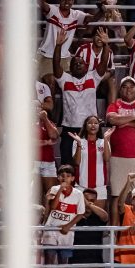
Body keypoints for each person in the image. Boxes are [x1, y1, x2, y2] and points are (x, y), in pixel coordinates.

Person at [54, 27, 111, 167]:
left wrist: (105, 44)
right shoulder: (64, 79)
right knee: (67, 165)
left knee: (90, 164)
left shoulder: (93, 77)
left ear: (86, 67)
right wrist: (58, 46)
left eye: (81, 63)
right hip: (69, 128)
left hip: (90, 128)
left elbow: (104, 63)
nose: (78, 65)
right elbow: (55, 65)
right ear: (70, 67)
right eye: (75, 64)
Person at [105, 76, 135, 221]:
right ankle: (114, 229)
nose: (128, 89)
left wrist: (126, 123)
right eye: (125, 86)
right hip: (118, 157)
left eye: (131, 86)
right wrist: (134, 117)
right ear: (120, 90)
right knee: (116, 195)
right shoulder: (114, 105)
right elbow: (113, 120)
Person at [37, 0, 106, 91]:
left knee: (73, 84)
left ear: (73, 1)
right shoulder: (53, 11)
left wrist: (101, 7)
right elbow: (41, 4)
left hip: (65, 58)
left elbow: (94, 18)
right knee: (51, 83)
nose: (67, 2)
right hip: (46, 56)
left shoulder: (76, 15)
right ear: (59, 0)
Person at [41, 165, 86, 268]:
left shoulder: (78, 194)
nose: (64, 178)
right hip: (51, 229)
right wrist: (60, 190)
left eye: (68, 176)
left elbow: (81, 213)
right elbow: (52, 207)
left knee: (63, 262)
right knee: (49, 261)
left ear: (72, 178)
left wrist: (68, 226)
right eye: (62, 176)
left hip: (67, 232)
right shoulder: (54, 189)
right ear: (58, 177)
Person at [69, 115, 112, 210]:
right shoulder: (78, 141)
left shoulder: (103, 142)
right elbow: (76, 162)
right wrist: (79, 144)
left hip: (99, 186)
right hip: (81, 186)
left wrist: (105, 139)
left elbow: (107, 159)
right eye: (90, 123)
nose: (93, 125)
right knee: (80, 218)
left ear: (99, 126)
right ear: (85, 126)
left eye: (96, 123)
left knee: (98, 219)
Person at [69, 187, 109, 268]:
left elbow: (105, 216)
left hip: (94, 265)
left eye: (92, 200)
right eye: (86, 199)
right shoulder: (74, 216)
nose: (88, 202)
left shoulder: (98, 217)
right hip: (75, 264)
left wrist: (88, 204)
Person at [74, 27, 117, 105]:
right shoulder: (83, 49)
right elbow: (75, 69)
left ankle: (112, 111)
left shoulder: (109, 51)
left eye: (103, 36)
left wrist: (100, 78)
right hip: (85, 81)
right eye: (97, 35)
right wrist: (92, 79)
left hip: (101, 81)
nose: (100, 38)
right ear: (93, 37)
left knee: (112, 80)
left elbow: (112, 70)